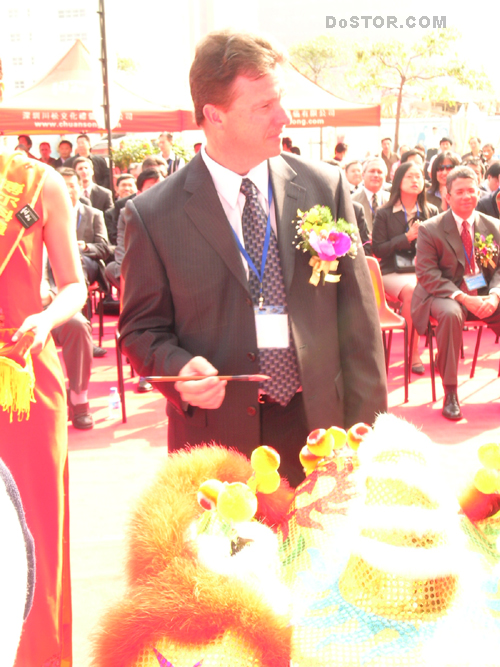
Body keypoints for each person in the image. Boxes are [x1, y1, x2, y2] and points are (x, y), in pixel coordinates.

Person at [118, 29, 387, 487]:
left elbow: (359, 323)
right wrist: (176, 368)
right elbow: (140, 330)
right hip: (218, 440)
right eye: (264, 106)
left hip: (321, 425)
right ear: (214, 115)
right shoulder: (153, 214)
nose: (284, 117)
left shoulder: (325, 186)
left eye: (281, 100)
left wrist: (370, 437)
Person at [0, 147, 86, 664]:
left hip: (24, 374)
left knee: (33, 527)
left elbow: (74, 285)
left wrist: (48, 317)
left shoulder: (39, 183)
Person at [412, 166, 500, 420]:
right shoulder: (430, 228)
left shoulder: (494, 226)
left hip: (482, 292)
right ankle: (450, 392)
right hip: (442, 294)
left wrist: (495, 295)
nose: (466, 196)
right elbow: (427, 274)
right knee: (451, 314)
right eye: (459, 192)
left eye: (471, 191)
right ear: (447, 196)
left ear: (479, 193)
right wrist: (464, 298)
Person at [372, 162, 439, 373]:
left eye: (419, 176)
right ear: (398, 181)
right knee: (412, 290)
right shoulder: (384, 213)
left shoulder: (431, 211)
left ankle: (444, 353)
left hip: (423, 270)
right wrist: (406, 237)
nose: (415, 180)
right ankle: (413, 351)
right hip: (392, 271)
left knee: (442, 287)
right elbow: (378, 249)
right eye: (410, 176)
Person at [352, 157, 389, 233]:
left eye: (379, 172)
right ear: (363, 175)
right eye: (372, 171)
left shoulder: (392, 199)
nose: (376, 175)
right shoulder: (352, 200)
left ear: (385, 177)